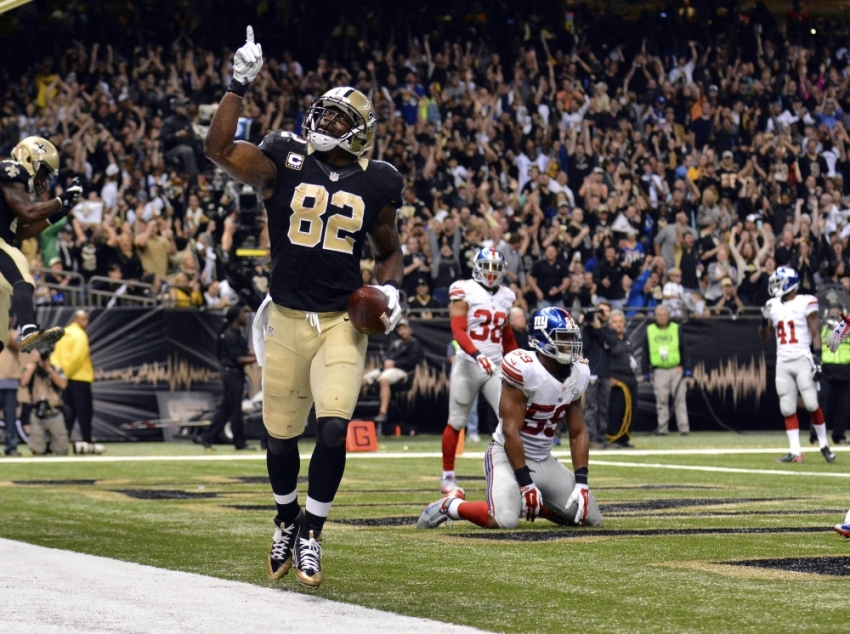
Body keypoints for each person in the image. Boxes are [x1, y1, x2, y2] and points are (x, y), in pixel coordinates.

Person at [204, 27, 403, 589]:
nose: (323, 124)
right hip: (286, 318)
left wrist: (391, 290)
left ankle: (313, 531)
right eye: (324, 114)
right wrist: (238, 83)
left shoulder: (381, 181)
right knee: (280, 438)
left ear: (359, 134)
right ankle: (285, 518)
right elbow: (217, 150)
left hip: (341, 321)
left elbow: (390, 252)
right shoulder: (283, 158)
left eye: (338, 120)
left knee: (335, 428)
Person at [417, 307, 602, 530]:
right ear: (542, 339)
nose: (570, 344)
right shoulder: (524, 368)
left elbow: (578, 431)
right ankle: (451, 506)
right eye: (563, 337)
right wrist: (525, 483)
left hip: (543, 459)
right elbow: (510, 430)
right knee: (504, 520)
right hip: (506, 456)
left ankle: (533, 505)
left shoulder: (578, 371)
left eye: (571, 337)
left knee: (589, 517)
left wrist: (581, 482)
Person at [439, 247, 517, 493]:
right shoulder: (464, 289)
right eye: (487, 267)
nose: (491, 273)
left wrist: (517, 360)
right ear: (477, 267)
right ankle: (447, 476)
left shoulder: (507, 296)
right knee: (457, 420)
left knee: (510, 421)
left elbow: (507, 335)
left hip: (494, 365)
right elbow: (458, 330)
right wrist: (477, 354)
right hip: (468, 363)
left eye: (496, 268)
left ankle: (516, 471)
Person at [0, 136, 78, 353]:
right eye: (42, 171)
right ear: (27, 158)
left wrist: (53, 216)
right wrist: (61, 200)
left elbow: (19, 233)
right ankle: (29, 330)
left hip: (3, 241)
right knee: (22, 279)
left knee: (0, 335)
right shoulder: (11, 171)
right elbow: (28, 212)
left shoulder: (14, 188)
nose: (43, 180)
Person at [761, 267, 835, 463]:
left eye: (778, 281)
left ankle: (824, 445)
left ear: (789, 283)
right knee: (787, 407)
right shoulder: (772, 305)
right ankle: (795, 452)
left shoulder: (805, 302)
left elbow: (815, 331)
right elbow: (765, 337)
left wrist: (818, 357)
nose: (775, 286)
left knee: (811, 403)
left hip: (802, 358)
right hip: (783, 361)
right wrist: (763, 321)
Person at [195, 305, 256, 450]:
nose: (245, 317)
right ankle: (239, 443)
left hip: (233, 374)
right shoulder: (230, 335)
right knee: (235, 410)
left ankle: (206, 437)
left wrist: (259, 353)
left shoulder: (235, 333)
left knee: (226, 409)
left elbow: (246, 352)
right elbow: (239, 358)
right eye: (243, 314)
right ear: (236, 317)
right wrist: (260, 359)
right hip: (232, 374)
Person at [362, 318, 423, 435]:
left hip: (403, 371)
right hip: (387, 369)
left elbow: (412, 362)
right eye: (400, 329)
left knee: (384, 379)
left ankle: (383, 413)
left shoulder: (414, 344)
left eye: (405, 328)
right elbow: (385, 356)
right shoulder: (396, 344)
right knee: (364, 379)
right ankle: (353, 409)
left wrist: (395, 363)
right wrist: (387, 361)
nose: (403, 331)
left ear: (410, 330)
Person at [642, 305, 693, 435]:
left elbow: (684, 350)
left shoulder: (676, 328)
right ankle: (663, 428)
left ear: (668, 316)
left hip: (676, 369)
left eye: (664, 315)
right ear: (655, 316)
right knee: (661, 400)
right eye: (660, 315)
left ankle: (684, 428)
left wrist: (687, 369)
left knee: (680, 399)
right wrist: (646, 372)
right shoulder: (650, 330)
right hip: (659, 370)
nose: (662, 317)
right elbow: (645, 352)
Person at [50, 310, 96, 452]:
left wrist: (61, 373)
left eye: (87, 319)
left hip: (64, 380)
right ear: (76, 319)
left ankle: (62, 443)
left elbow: (55, 356)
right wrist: (68, 373)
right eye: (84, 319)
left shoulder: (63, 333)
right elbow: (77, 357)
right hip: (80, 378)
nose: (86, 323)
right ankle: (86, 440)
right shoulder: (80, 335)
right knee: (84, 412)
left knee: (68, 413)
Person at [21, 344, 68, 456]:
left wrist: (48, 368)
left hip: (54, 411)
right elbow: (23, 382)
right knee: (37, 450)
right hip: (36, 413)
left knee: (62, 450)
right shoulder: (30, 368)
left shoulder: (55, 368)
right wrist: (34, 364)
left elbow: (63, 385)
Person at [582, 302, 617, 448]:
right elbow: (583, 346)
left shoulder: (610, 330)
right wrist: (585, 326)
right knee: (591, 407)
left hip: (605, 375)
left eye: (606, 311)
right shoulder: (587, 329)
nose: (603, 314)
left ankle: (602, 437)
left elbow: (612, 342)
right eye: (600, 311)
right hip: (591, 374)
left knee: (604, 407)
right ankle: (591, 438)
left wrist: (598, 328)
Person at [607, 309, 637, 448]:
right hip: (617, 379)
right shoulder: (609, 340)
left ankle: (625, 437)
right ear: (610, 324)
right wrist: (609, 377)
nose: (618, 325)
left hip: (630, 378)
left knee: (630, 409)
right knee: (616, 409)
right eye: (615, 322)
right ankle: (613, 437)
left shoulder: (626, 339)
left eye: (620, 322)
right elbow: (605, 359)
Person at [820, 308, 850, 446]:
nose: (835, 314)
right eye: (832, 311)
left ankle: (839, 435)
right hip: (827, 367)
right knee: (822, 404)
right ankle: (816, 436)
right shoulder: (823, 327)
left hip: (846, 367)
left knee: (844, 406)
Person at [0, 328, 22, 456]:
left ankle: (11, 447)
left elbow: (18, 346)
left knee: (10, 418)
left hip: (10, 381)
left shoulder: (15, 334)